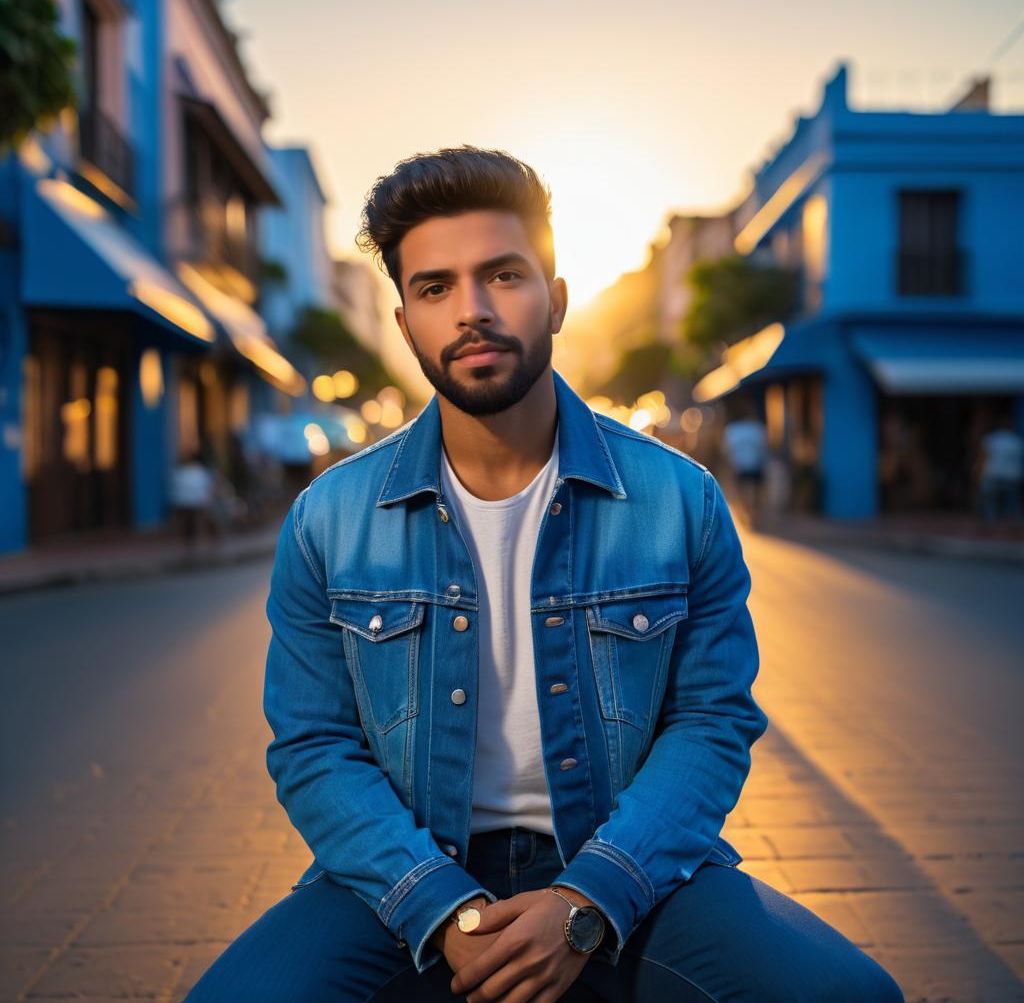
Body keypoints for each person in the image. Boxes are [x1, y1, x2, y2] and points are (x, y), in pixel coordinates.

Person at [185, 147, 903, 1002]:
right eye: (435, 288)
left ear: (557, 299)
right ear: (406, 320)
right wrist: (439, 908)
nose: (472, 311)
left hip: (626, 853)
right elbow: (313, 747)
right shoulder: (330, 520)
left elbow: (712, 721)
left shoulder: (680, 501)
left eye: (504, 275)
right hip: (406, 868)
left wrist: (590, 895)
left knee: (850, 995)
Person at [721, 404, 768, 525]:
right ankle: (754, 512)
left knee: (741, 491)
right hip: (756, 465)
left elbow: (726, 451)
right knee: (756, 491)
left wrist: (729, 466)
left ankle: (745, 511)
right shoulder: (758, 428)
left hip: (739, 466)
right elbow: (764, 448)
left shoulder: (732, 430)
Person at [976, 419, 1024, 522]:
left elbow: (982, 458)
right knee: (1012, 505)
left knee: (990, 504)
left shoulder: (991, 438)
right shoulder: (1017, 441)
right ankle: (1015, 526)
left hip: (992, 475)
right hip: (1011, 477)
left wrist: (979, 474)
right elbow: (1020, 461)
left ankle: (991, 527)